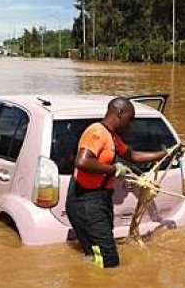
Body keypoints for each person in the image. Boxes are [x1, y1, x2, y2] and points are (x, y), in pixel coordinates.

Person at [66, 97, 171, 269]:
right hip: (86, 202)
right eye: (130, 119)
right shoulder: (97, 132)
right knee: (108, 259)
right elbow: (82, 162)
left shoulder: (112, 137)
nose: (130, 125)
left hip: (99, 200)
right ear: (119, 113)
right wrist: (114, 170)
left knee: (96, 252)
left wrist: (166, 153)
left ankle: (88, 281)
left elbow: (133, 156)